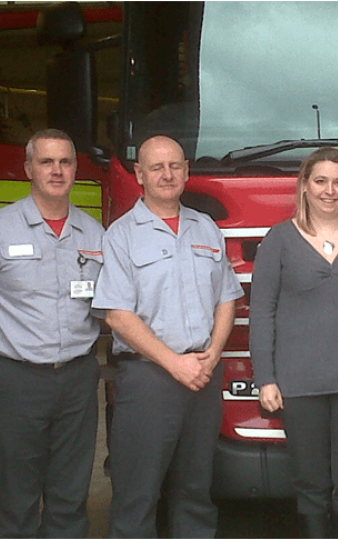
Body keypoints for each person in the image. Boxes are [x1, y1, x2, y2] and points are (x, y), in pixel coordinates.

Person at [0, 128, 105, 538]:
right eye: (46, 161)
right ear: (28, 169)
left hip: (77, 378)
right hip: (14, 381)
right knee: (17, 497)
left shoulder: (95, 235)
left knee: (70, 496)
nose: (57, 170)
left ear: (76, 169)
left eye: (65, 161)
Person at [91, 134, 244, 539]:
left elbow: (226, 298)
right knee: (137, 493)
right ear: (139, 174)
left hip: (202, 374)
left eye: (175, 165)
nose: (167, 174)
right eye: (156, 167)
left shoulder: (206, 227)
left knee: (196, 490)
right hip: (149, 377)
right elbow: (117, 315)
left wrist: (212, 353)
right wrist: (174, 362)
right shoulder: (121, 235)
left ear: (187, 171)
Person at [249, 147, 338, 539]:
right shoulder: (278, 239)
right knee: (310, 482)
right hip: (298, 383)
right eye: (320, 181)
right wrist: (266, 377)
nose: (329, 191)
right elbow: (261, 312)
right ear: (304, 187)